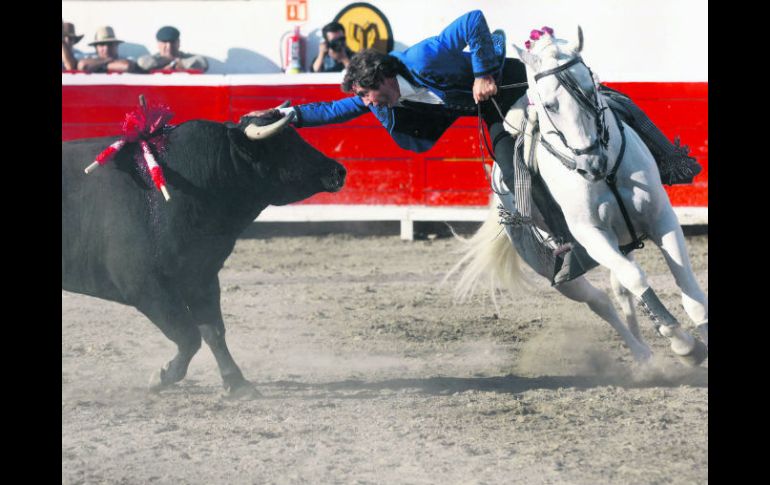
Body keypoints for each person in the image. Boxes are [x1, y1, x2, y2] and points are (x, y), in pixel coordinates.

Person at [242, 10, 697, 282]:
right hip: (491, 110)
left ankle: (670, 161)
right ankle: (560, 236)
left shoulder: (421, 57)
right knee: (511, 165)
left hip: (510, 79)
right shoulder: (377, 98)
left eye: (368, 94)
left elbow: (473, 20)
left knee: (610, 102)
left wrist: (483, 71)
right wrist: (292, 115)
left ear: (382, 77)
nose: (367, 104)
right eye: (364, 98)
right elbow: (334, 110)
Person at [137, 26, 208, 72]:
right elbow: (142, 63)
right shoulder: (154, 59)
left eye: (172, 42)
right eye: (164, 42)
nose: (169, 46)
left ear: (178, 43)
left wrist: (181, 64)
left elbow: (203, 62)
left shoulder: (185, 57)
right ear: (158, 44)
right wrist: (167, 60)